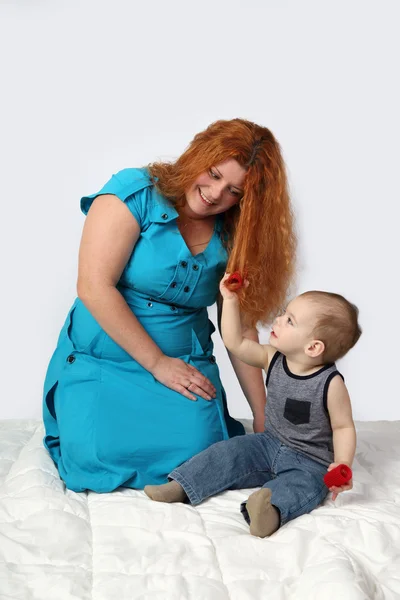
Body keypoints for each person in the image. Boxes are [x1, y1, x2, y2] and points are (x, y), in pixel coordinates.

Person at [42, 119, 296, 492]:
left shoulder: (236, 232)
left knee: (200, 459)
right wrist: (158, 364)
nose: (214, 193)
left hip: (185, 366)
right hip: (104, 359)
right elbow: (94, 287)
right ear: (198, 156)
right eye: (212, 174)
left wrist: (263, 413)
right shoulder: (134, 193)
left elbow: (238, 329)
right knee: (94, 460)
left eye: (233, 192)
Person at [144, 279, 362, 537]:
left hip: (310, 459)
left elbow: (343, 426)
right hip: (268, 443)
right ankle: (183, 485)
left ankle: (268, 512)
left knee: (302, 486)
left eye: (290, 320)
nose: (278, 320)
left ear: (313, 347)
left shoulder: (330, 383)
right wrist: (232, 301)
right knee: (229, 452)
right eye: (284, 313)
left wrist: (341, 464)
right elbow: (236, 343)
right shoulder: (271, 358)